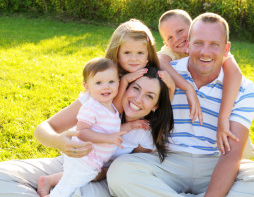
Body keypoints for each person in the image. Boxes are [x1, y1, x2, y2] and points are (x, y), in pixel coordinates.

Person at [107, 13, 254, 197]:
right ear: (188, 45)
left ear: (226, 49)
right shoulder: (166, 74)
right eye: (198, 43)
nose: (205, 52)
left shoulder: (243, 88)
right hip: (167, 160)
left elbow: (231, 156)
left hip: (215, 163)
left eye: (214, 44)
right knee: (119, 172)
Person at [0, 66, 173, 197]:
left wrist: (103, 173)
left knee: (74, 191)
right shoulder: (99, 102)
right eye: (136, 88)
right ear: (124, 86)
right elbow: (42, 130)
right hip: (74, 161)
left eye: (149, 96)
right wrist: (58, 141)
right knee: (3, 175)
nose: (138, 99)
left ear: (155, 106)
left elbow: (128, 169)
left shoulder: (143, 133)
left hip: (103, 179)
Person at [157, 9, 254, 158]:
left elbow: (235, 73)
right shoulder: (170, 50)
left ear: (192, 28)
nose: (176, 39)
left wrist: (223, 118)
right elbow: (160, 62)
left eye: (180, 31)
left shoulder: (210, 48)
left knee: (237, 145)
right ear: (165, 42)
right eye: (169, 37)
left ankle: (242, 155)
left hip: (220, 116)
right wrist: (188, 87)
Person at [38, 57, 121, 197]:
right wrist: (109, 138)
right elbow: (82, 132)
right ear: (87, 87)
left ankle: (48, 181)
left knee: (73, 178)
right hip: (85, 157)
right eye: (99, 83)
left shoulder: (109, 106)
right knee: (69, 186)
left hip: (89, 158)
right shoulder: (92, 107)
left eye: (111, 82)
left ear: (119, 82)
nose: (106, 86)